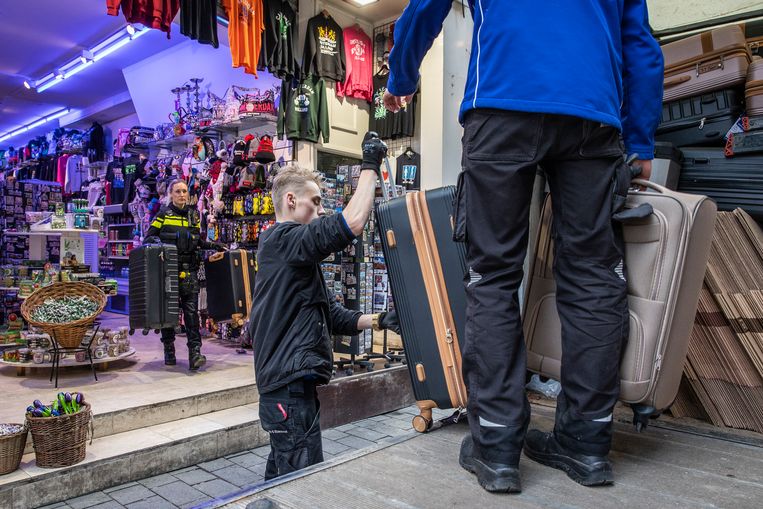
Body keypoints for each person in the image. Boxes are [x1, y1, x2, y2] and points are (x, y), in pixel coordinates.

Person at [384, 0, 664, 493]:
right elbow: (640, 45)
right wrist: (640, 141)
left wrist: (401, 80)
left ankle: (495, 447)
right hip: (592, 116)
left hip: (502, 102)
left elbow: (424, 7)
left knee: (491, 276)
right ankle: (587, 440)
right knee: (594, 276)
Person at [248, 133, 401, 480]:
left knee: (284, 479)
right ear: (290, 200)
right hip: (287, 390)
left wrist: (379, 320)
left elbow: (332, 315)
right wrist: (369, 166)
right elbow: (351, 223)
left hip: (292, 389)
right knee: (301, 482)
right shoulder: (281, 240)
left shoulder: (295, 259)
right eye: (314, 203)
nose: (319, 211)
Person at [144, 179, 224, 370]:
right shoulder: (163, 215)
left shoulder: (193, 216)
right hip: (168, 272)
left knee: (191, 313)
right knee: (170, 313)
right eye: (178, 191)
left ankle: (195, 353)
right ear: (171, 194)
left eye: (184, 191)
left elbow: (197, 242)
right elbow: (149, 237)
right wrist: (161, 245)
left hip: (189, 270)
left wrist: (213, 245)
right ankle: (169, 350)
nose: (181, 195)